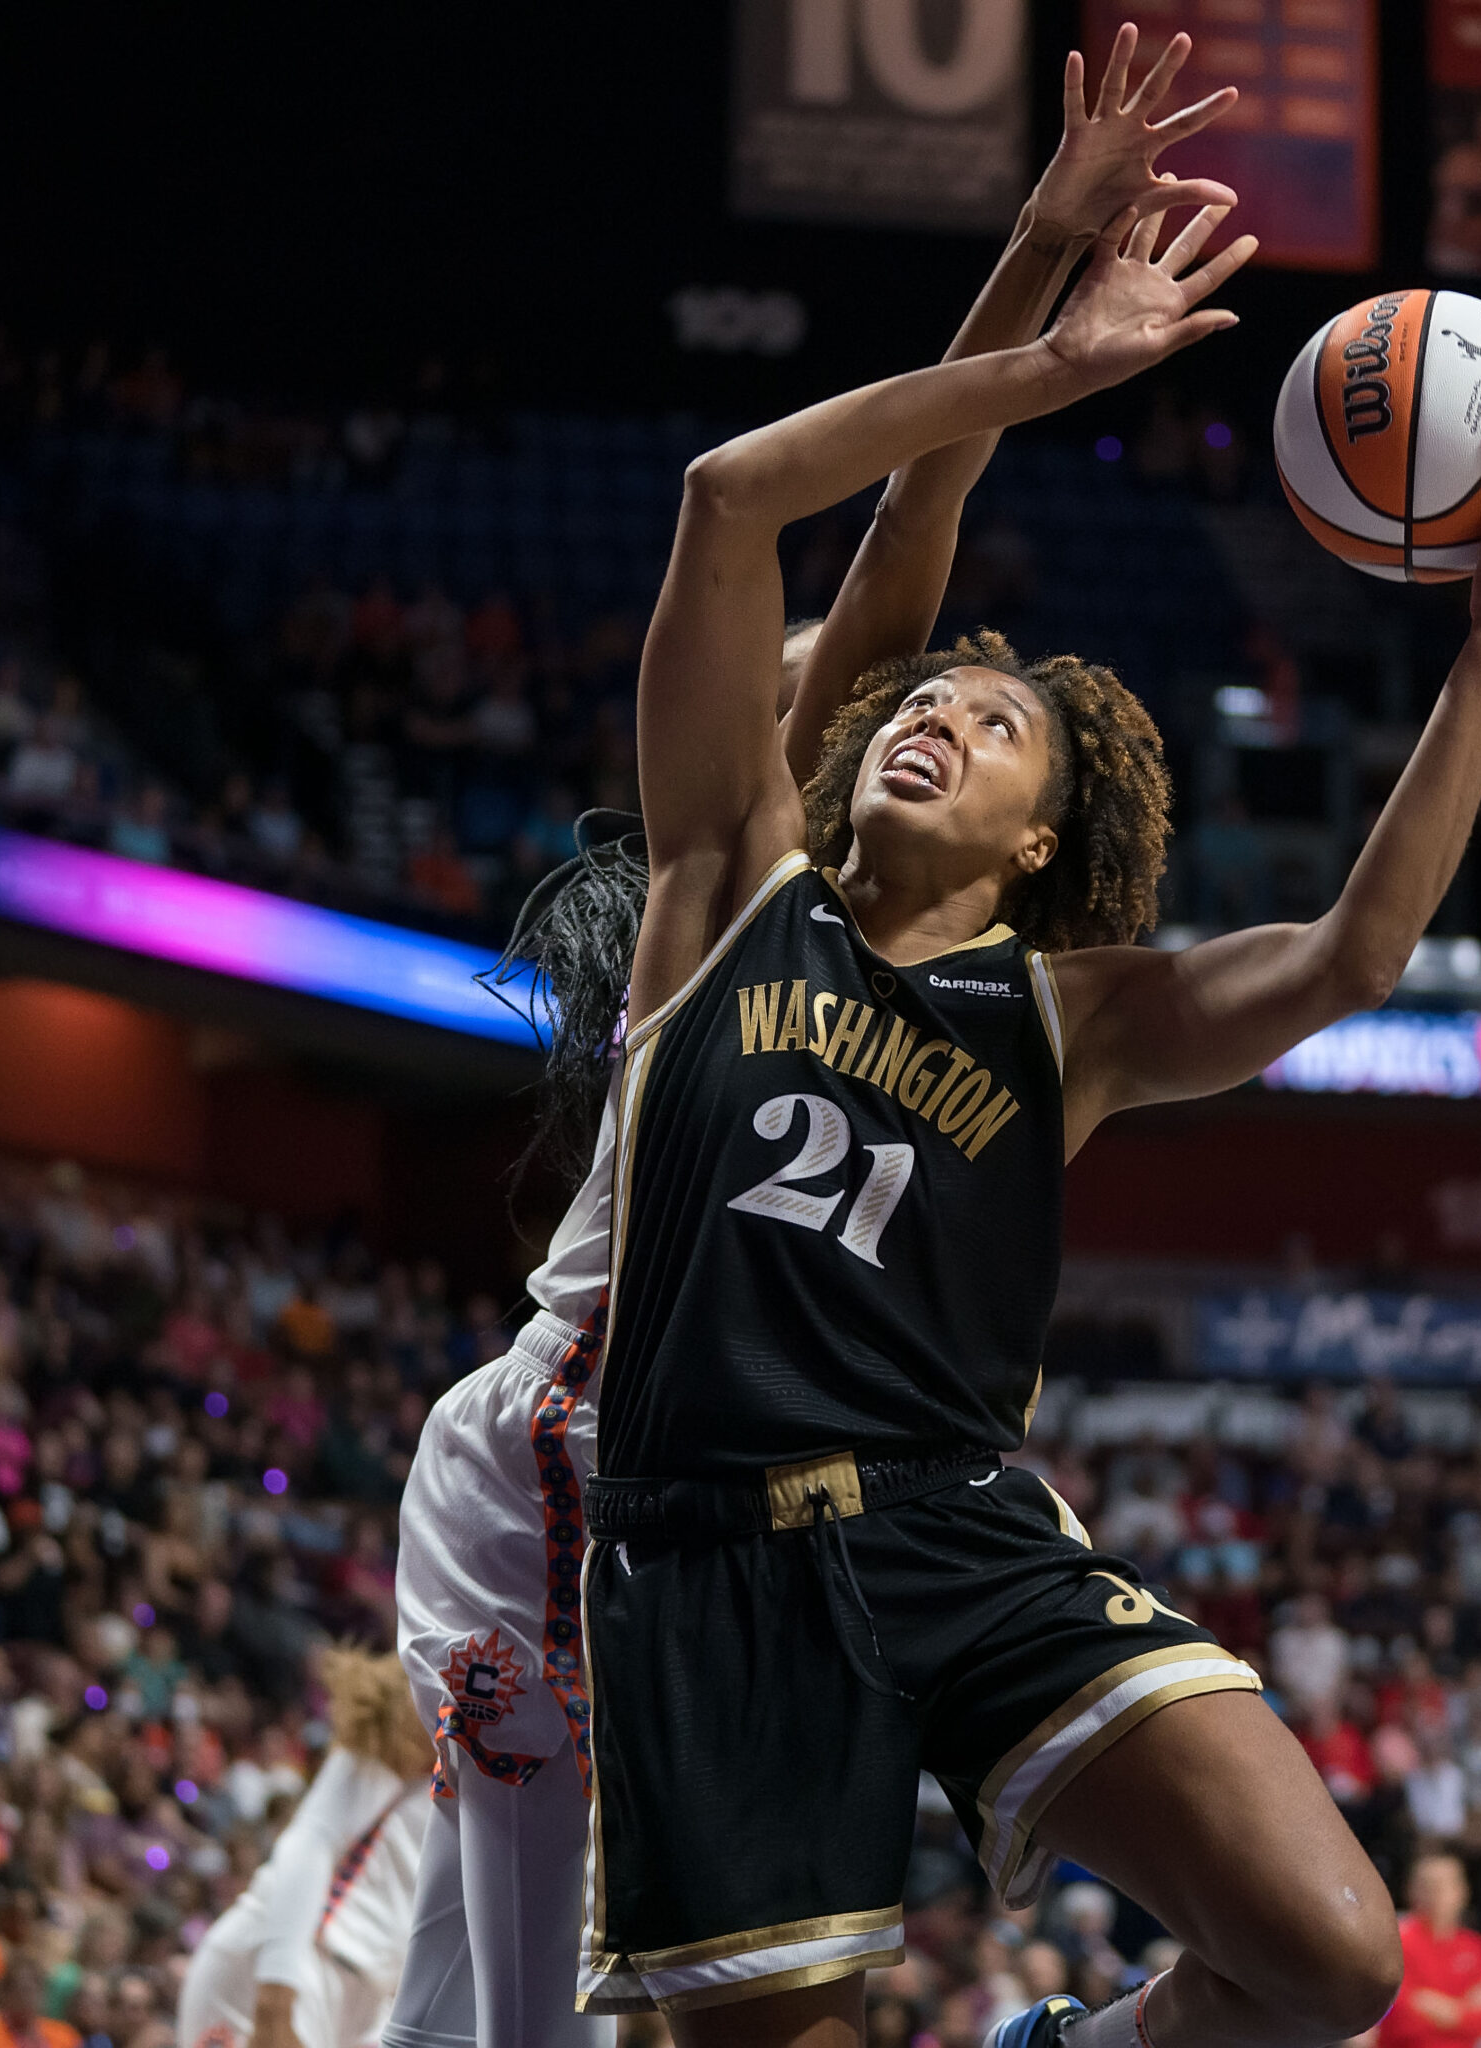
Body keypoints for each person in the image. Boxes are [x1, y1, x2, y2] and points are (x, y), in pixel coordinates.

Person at [557, 9, 1481, 2034]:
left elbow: (1353, 953)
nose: (937, 704)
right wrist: (1039, 332)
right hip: (704, 1563)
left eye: (994, 719)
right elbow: (728, 501)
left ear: (1047, 838)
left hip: (954, 1525)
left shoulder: (1071, 1018)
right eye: (926, 697)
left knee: (1327, 1951)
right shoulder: (722, 883)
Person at [381, 31, 1245, 2048]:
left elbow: (911, 521)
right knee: (563, 2006)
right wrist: (1036, 302)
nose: (866, 673)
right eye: (824, 673)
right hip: (586, 1453)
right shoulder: (740, 862)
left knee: (491, 1996)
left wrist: (1040, 243)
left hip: (636, 1453)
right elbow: (883, 527)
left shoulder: (833, 898)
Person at [173, 1651, 434, 2048]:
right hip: (296, 1962)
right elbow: (311, 1842)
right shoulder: (414, 1717)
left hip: (368, 1996)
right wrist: (275, 2002)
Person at [1377, 1855, 1481, 2048]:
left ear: (1462, 1891)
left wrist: (1440, 2008)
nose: (1436, 1894)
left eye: (1445, 1885)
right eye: (1427, 1886)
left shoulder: (1477, 1947)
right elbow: (1397, 2016)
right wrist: (1462, 2011)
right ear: (1411, 1891)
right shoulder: (1395, 1942)